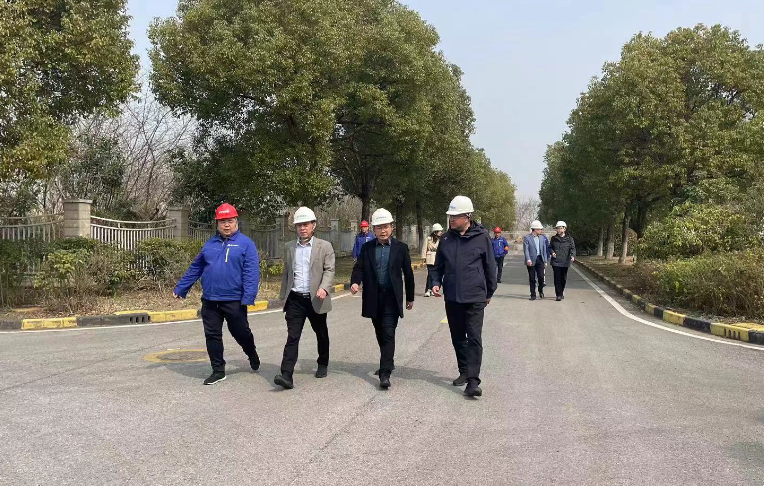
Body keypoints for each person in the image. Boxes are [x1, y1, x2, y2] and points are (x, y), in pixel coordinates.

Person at [173, 203, 260, 386]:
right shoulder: (210, 244)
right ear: (217, 223)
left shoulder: (246, 244)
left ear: (236, 222)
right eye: (222, 221)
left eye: (230, 221)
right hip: (210, 299)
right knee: (212, 335)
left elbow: (251, 272)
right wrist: (182, 288)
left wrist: (248, 296)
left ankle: (251, 352)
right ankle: (218, 371)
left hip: (234, 300)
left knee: (241, 333)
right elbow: (196, 267)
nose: (226, 225)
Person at [431, 195, 497, 398]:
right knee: (458, 337)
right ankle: (464, 371)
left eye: (455, 216)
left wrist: (489, 291)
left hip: (475, 296)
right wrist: (435, 282)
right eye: (450, 216)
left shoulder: (482, 237)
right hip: (452, 296)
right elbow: (438, 266)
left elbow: (490, 266)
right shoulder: (446, 239)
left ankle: (473, 381)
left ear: (467, 216)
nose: (451, 220)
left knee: (474, 338)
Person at [350, 208, 415, 389]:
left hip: (391, 298)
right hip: (373, 296)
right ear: (374, 229)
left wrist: (410, 297)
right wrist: (355, 282)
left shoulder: (401, 248)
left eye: (386, 226)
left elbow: (408, 274)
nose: (383, 230)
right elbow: (359, 267)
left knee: (388, 333)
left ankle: (384, 373)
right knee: (380, 332)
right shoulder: (367, 248)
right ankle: (388, 361)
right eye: (379, 227)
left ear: (391, 227)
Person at [273, 207, 336, 390]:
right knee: (293, 336)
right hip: (295, 299)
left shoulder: (324, 246)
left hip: (316, 298)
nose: (302, 228)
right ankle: (286, 375)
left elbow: (329, 270)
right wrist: (283, 296)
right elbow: (287, 273)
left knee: (321, 333)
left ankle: (322, 362)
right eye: (299, 225)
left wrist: (324, 288)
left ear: (313, 225)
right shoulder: (289, 247)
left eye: (306, 224)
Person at [549, 221, 576, 301]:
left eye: (560, 228)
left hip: (565, 262)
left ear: (564, 229)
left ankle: (561, 292)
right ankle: (558, 294)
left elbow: (573, 248)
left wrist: (572, 256)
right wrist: (552, 252)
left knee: (563, 278)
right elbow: (550, 247)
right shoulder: (554, 238)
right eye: (557, 228)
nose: (558, 230)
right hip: (556, 262)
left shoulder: (569, 239)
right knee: (557, 278)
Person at [523, 220, 549, 301]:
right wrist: (528, 259)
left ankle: (540, 290)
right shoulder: (527, 238)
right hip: (531, 260)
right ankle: (533, 294)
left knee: (541, 277)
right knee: (532, 278)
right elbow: (526, 249)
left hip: (540, 259)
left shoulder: (542, 238)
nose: (541, 230)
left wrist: (545, 261)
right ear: (535, 229)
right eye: (540, 229)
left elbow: (544, 250)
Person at [423, 223, 443, 296]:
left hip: (438, 258)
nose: (441, 232)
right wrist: (424, 258)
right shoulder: (428, 239)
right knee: (431, 274)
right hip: (430, 258)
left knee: (434, 274)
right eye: (439, 231)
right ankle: (428, 289)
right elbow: (424, 248)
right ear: (435, 232)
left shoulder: (441, 239)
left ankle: (432, 289)